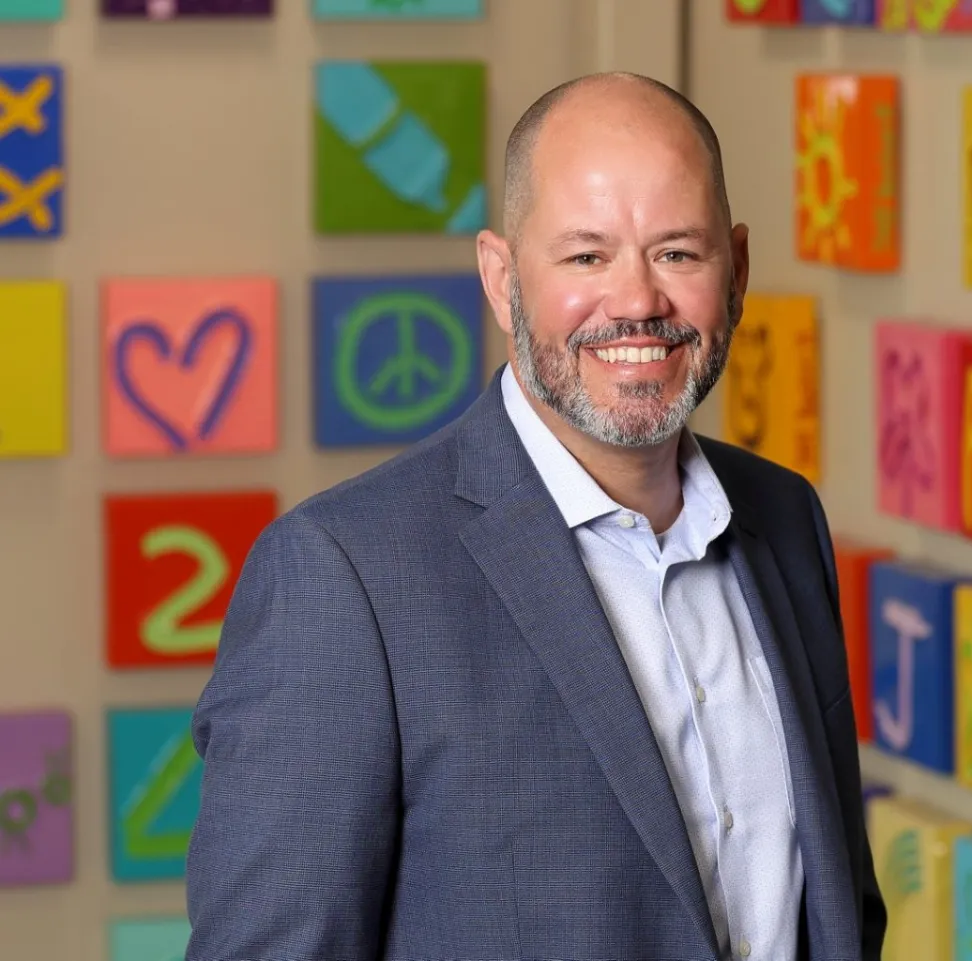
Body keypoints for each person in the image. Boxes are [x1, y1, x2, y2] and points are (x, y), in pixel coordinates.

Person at [184, 71, 886, 961]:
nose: (637, 302)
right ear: (502, 277)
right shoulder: (341, 578)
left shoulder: (786, 521)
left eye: (677, 252)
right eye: (586, 256)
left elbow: (834, 912)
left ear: (737, 268)